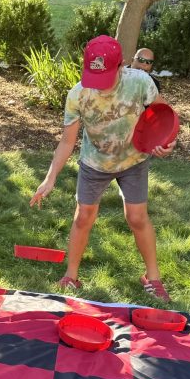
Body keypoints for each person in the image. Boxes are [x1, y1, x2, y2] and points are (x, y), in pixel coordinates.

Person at [30, 35, 176, 301]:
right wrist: (50, 178)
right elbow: (67, 140)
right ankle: (71, 276)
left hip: (133, 160)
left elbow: (163, 113)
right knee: (83, 216)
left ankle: (153, 278)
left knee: (137, 217)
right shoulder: (78, 95)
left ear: (121, 67)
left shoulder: (140, 82)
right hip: (94, 162)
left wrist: (165, 140)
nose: (100, 86)